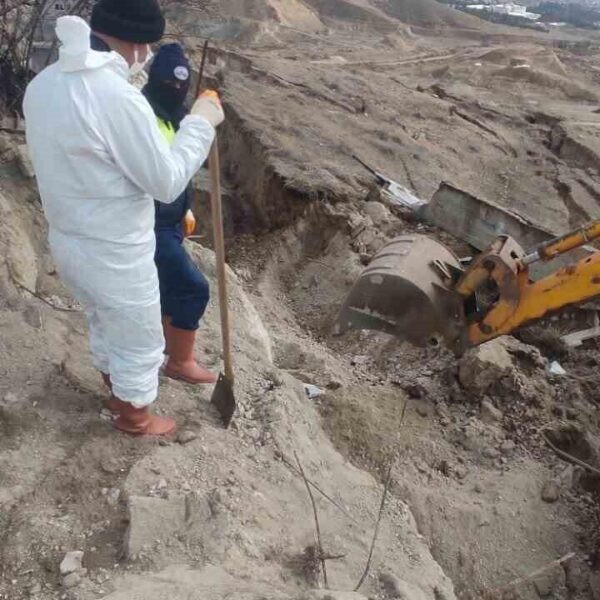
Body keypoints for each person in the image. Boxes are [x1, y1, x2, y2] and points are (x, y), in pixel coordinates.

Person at [23, 0, 225, 436]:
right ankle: (134, 417)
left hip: (68, 236)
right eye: (147, 47)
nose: (146, 58)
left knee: (102, 317)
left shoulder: (44, 85)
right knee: (137, 334)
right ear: (136, 44)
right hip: (114, 244)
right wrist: (201, 124)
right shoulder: (115, 97)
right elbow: (166, 181)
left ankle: (115, 390)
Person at [142, 44, 216, 386]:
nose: (175, 90)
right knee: (193, 288)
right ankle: (180, 361)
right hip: (148, 224)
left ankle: (162, 353)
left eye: (181, 84)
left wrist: (183, 209)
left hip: (168, 221)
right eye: (169, 83)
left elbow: (180, 170)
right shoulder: (144, 117)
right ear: (155, 79)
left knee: (166, 289)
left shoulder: (173, 117)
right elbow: (162, 175)